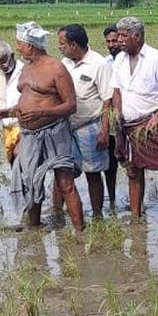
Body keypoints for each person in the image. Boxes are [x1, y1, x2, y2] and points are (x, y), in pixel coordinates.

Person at [0, 22, 84, 230]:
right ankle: (34, 227)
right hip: (29, 134)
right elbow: (27, 101)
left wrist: (42, 113)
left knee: (65, 183)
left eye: (20, 44)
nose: (18, 48)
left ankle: (80, 232)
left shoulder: (56, 68)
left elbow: (71, 105)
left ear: (31, 46)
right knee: (31, 180)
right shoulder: (25, 69)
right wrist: (3, 112)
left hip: (55, 132)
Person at [110, 16, 158, 219]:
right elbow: (116, 90)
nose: (120, 40)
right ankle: (136, 217)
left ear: (137, 36)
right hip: (127, 125)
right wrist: (117, 113)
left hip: (151, 124)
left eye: (124, 36)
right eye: (119, 36)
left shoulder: (157, 59)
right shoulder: (119, 60)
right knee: (133, 171)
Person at [58, 24, 115, 218]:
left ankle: (97, 214)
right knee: (63, 172)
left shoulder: (99, 64)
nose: (60, 47)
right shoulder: (63, 63)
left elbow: (107, 99)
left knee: (93, 174)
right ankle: (61, 212)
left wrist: (104, 130)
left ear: (74, 44)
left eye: (62, 43)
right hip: (66, 127)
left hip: (90, 126)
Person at [101, 23, 122, 207]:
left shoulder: (128, 61)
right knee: (110, 165)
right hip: (110, 122)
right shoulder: (104, 63)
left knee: (132, 164)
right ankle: (112, 200)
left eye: (115, 40)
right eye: (108, 41)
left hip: (127, 119)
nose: (112, 44)